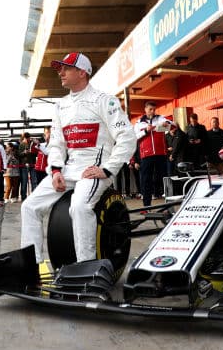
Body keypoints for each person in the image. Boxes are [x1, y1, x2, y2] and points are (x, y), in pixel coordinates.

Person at [20, 52, 136, 265]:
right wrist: (55, 171)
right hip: (69, 170)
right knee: (29, 207)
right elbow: (56, 143)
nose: (61, 72)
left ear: (82, 72)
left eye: (66, 68)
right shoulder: (60, 105)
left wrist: (108, 169)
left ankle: (87, 268)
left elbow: (127, 137)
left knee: (80, 207)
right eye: (60, 69)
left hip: (94, 171)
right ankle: (31, 267)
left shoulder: (105, 101)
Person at [133, 101, 170, 207]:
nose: (153, 111)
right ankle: (146, 205)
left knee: (163, 178)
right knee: (146, 180)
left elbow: (172, 124)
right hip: (146, 155)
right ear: (145, 109)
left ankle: (167, 205)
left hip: (161, 153)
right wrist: (145, 131)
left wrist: (167, 123)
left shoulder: (160, 118)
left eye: (154, 109)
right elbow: (135, 137)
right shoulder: (139, 122)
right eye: (150, 109)